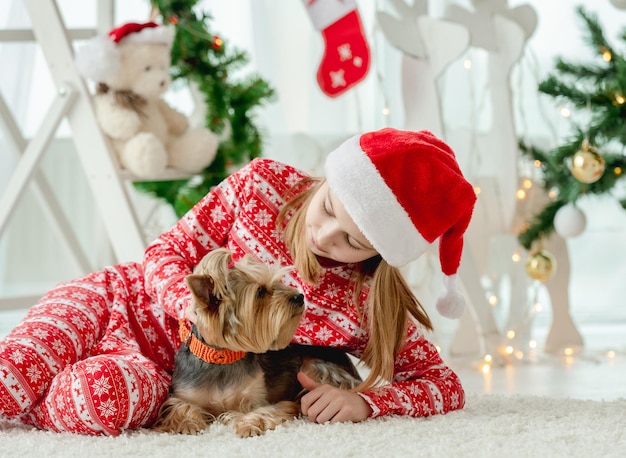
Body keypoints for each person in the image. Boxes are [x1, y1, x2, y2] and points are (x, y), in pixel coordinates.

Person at [0, 128, 476, 435]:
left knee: (100, 396)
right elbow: (165, 252)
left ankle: (37, 416)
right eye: (328, 207)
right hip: (114, 299)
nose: (323, 235)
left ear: (381, 254)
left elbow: (443, 384)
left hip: (160, 372)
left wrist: (366, 403)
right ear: (327, 179)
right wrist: (190, 306)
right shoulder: (262, 186)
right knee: (18, 366)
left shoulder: (365, 298)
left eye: (352, 241)